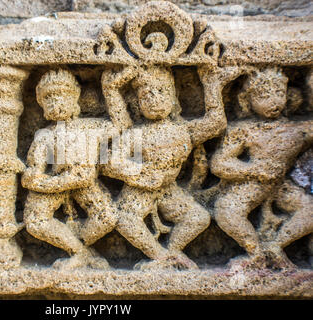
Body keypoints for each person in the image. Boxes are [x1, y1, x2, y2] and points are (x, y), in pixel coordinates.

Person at [100, 65, 244, 270]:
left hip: (169, 190)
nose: (154, 99)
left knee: (198, 218)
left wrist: (212, 85)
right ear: (138, 103)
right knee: (125, 218)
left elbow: (216, 124)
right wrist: (140, 175)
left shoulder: (182, 131)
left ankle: (173, 252)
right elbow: (110, 162)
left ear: (173, 96)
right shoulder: (137, 134)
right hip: (140, 190)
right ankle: (159, 255)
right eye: (146, 96)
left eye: (161, 92)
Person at [211, 67, 313, 269]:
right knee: (226, 210)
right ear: (246, 100)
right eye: (264, 96)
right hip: (254, 184)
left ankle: (275, 246)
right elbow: (219, 163)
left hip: (283, 186)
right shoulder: (243, 131)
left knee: (310, 210)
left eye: (279, 94)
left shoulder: (299, 130)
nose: (273, 101)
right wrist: (254, 169)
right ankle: (255, 252)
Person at [22, 69, 119, 270]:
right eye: (49, 98)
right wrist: (46, 182)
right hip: (58, 182)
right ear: (41, 104)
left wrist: (111, 90)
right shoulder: (44, 136)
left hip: (85, 182)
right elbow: (33, 173)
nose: (56, 102)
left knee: (107, 218)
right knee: (35, 222)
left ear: (74, 97)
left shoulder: (91, 127)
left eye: (62, 96)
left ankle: (76, 248)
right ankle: (79, 252)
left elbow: (120, 126)